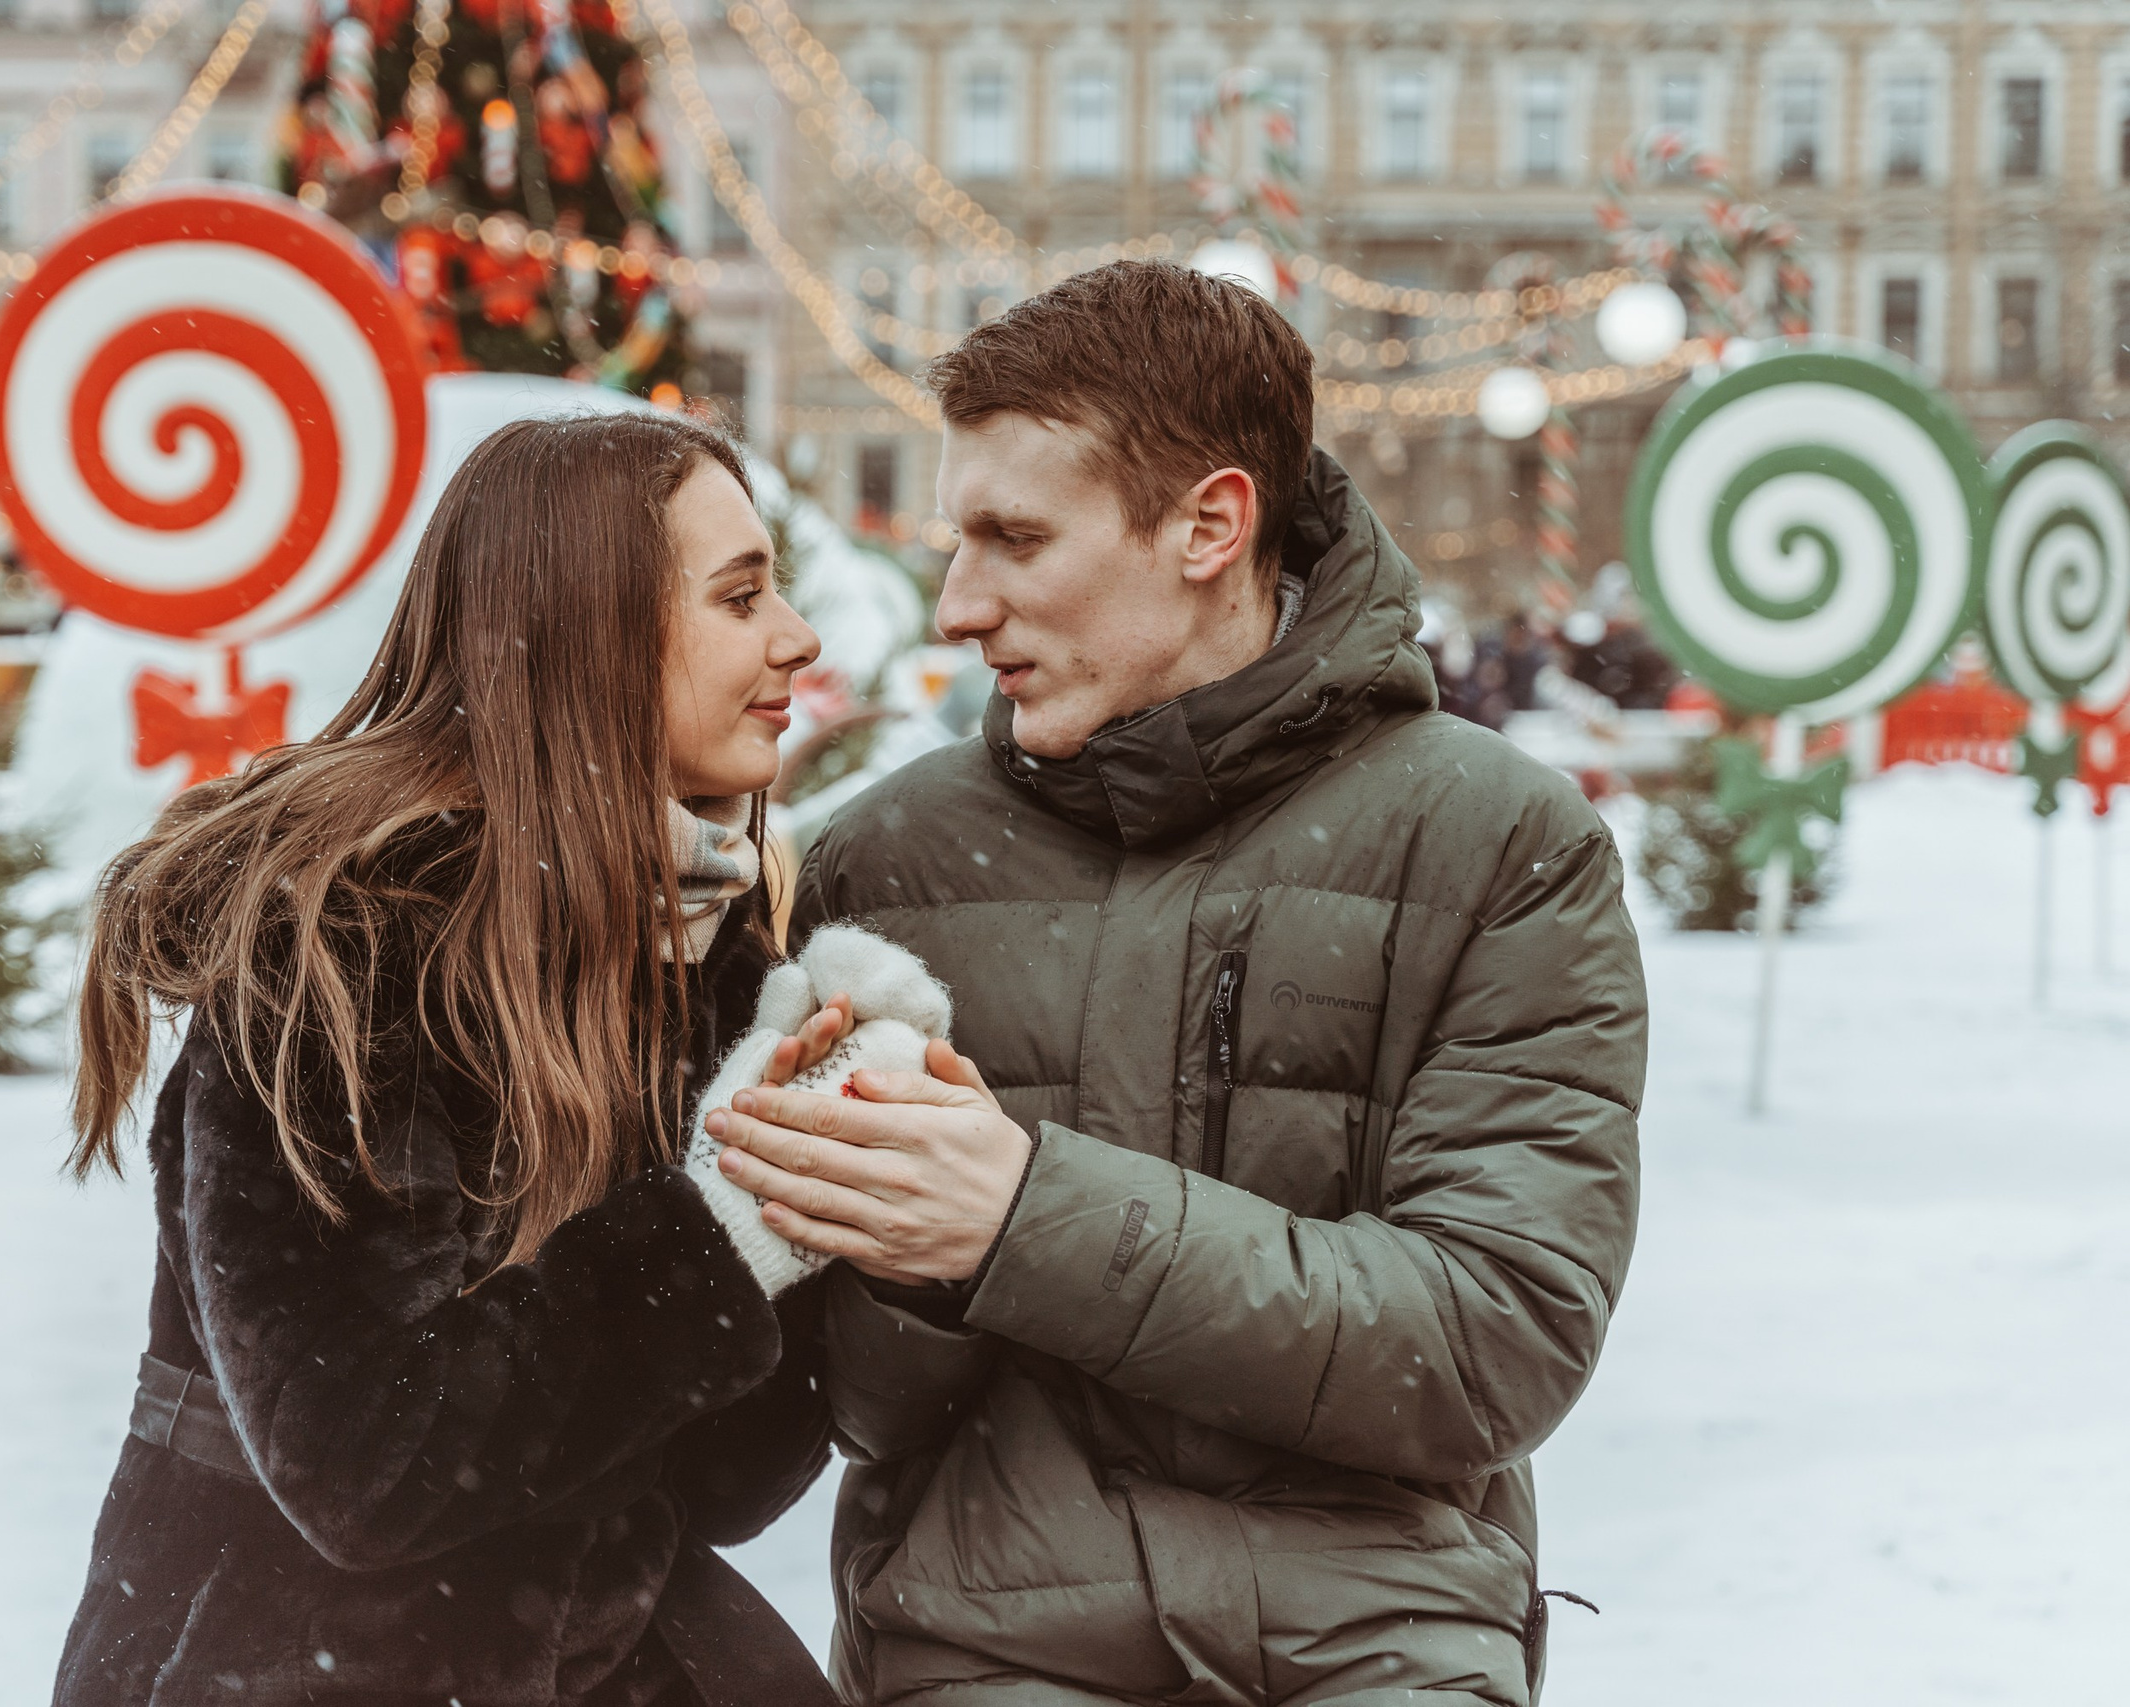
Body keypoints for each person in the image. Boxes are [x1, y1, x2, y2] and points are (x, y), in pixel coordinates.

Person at [699, 262, 1646, 1706]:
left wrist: (1023, 1216)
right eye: (962, 541)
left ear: (1209, 525)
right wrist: (911, 1259)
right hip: (987, 1641)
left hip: (1381, 1638)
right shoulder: (887, 861)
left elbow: (1488, 1343)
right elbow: (842, 1415)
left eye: (1016, 538)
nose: (960, 605)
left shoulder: (1502, 846)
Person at [53, 412, 847, 1707]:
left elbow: (719, 1483)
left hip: (592, 1656)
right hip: (282, 1669)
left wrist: (828, 1198)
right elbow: (358, 1461)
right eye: (743, 595)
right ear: (587, 631)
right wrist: (729, 1220)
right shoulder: (343, 957)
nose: (797, 638)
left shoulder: (712, 956)